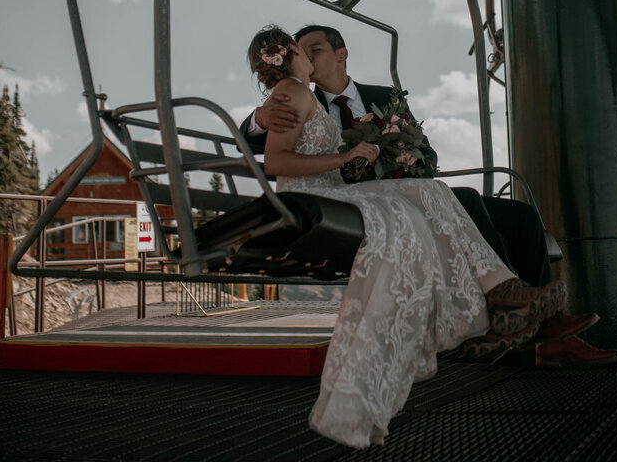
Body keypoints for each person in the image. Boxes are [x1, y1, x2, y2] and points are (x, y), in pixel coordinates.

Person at [246, 25, 580, 448]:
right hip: (351, 195)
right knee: (461, 202)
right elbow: (269, 144)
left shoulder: (382, 96)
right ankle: (507, 305)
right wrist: (262, 118)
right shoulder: (293, 97)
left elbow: (424, 150)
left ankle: (533, 314)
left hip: (400, 185)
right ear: (289, 55)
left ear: (342, 53)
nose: (310, 55)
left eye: (317, 47)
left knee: (520, 216)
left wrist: (401, 158)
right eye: (303, 48)